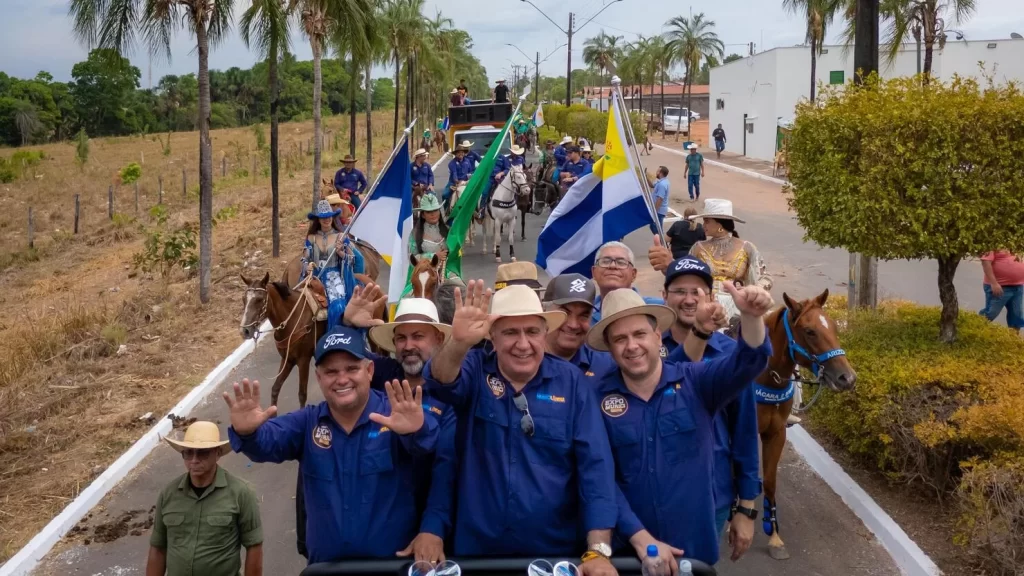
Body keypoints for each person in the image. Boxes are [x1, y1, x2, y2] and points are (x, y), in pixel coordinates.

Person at [422, 282, 620, 575]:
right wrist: (458, 343)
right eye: (511, 332)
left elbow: (596, 467)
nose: (523, 344)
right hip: (479, 555)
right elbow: (440, 380)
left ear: (545, 333)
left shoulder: (571, 381)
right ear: (492, 337)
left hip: (553, 558)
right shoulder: (475, 370)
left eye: (532, 332)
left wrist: (599, 551)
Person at [588, 283, 773, 568]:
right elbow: (601, 479)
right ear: (611, 350)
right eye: (620, 339)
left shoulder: (697, 382)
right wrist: (640, 537)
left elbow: (749, 362)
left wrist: (751, 317)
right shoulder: (595, 400)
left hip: (693, 555)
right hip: (629, 556)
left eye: (639, 334)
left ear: (657, 338)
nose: (632, 346)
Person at [226, 326, 443, 564]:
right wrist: (247, 433)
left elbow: (429, 447)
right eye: (331, 372)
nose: (342, 379)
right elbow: (267, 443)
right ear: (318, 377)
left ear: (369, 371)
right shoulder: (307, 423)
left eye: (352, 369)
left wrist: (417, 430)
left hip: (390, 567)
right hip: (326, 569)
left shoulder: (394, 416)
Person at [660, 256, 760, 563]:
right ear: (664, 296)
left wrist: (746, 508)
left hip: (710, 494)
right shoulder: (646, 347)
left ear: (711, 298)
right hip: (652, 490)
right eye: (679, 291)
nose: (688, 299)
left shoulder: (729, 354)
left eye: (697, 291)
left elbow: (744, 430)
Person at [148, 421, 263, 576]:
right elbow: (158, 547)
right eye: (188, 453)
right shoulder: (168, 493)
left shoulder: (241, 493)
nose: (194, 460)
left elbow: (254, 546)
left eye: (202, 453)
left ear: (218, 453)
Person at [303, 200, 365, 329]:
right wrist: (307, 266)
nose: (326, 220)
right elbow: (304, 259)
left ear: (332, 217)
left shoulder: (341, 236)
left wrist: (341, 253)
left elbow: (352, 259)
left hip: (334, 276)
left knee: (338, 306)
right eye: (323, 217)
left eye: (329, 216)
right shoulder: (311, 238)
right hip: (315, 277)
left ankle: (337, 335)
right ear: (318, 220)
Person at [542, 274, 616, 378]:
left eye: (584, 315)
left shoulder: (607, 367)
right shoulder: (522, 363)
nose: (573, 325)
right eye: (565, 313)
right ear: (544, 310)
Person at [591, 241, 665, 323]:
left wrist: (670, 268)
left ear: (633, 274)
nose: (612, 266)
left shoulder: (658, 309)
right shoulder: (585, 314)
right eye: (605, 261)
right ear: (594, 272)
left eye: (621, 262)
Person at [409, 195, 464, 287]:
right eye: (429, 212)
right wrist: (434, 256)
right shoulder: (415, 234)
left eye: (435, 210)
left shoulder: (448, 230)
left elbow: (455, 252)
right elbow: (411, 258)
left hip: (446, 271)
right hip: (423, 273)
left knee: (461, 289)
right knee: (406, 297)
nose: (433, 214)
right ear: (423, 215)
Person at [979, 250, 1024, 335]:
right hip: (1000, 287)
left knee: (1016, 316)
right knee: (990, 313)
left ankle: (1013, 340)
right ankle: (974, 330)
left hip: (1018, 286)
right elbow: (985, 262)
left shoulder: (1014, 241)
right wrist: (994, 283)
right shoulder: (994, 242)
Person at [649, 166, 670, 236]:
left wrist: (655, 211)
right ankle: (661, 241)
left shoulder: (662, 184)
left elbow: (660, 199)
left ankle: (662, 242)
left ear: (661, 173)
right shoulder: (660, 182)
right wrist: (645, 177)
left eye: (657, 171)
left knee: (656, 228)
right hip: (659, 210)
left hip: (659, 211)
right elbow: (652, 186)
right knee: (653, 226)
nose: (656, 172)